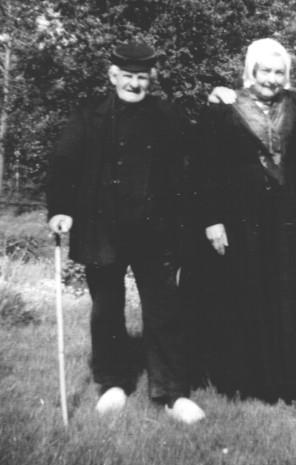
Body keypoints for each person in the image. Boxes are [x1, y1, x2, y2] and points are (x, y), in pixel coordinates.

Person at [47, 41, 205, 423]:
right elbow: (63, 165)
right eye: (127, 76)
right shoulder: (89, 115)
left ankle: (172, 393)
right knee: (107, 312)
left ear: (151, 77)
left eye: (141, 77)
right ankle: (113, 384)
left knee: (165, 310)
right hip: (101, 229)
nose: (134, 84)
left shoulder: (168, 115)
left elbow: (192, 164)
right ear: (112, 74)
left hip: (157, 230)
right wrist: (60, 211)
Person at [194, 38, 296, 402]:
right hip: (244, 220)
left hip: (291, 219)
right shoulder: (225, 107)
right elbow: (206, 168)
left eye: (278, 72)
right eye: (265, 71)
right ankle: (248, 383)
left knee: (291, 300)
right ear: (251, 71)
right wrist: (213, 220)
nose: (271, 79)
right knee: (247, 296)